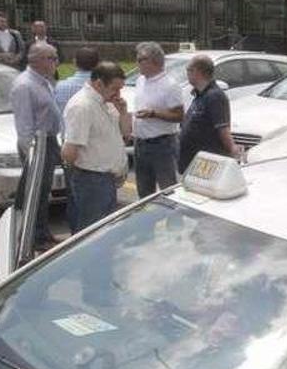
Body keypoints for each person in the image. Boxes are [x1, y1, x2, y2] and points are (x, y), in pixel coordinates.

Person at [62, 62, 131, 231]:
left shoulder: (107, 102)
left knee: (103, 233)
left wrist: (123, 112)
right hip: (91, 181)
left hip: (107, 180)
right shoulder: (83, 106)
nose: (118, 94)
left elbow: (126, 134)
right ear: (99, 83)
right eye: (115, 88)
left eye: (121, 89)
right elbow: (69, 152)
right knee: (90, 234)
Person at [10, 42, 64, 250]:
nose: (56, 62)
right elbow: (24, 126)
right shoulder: (25, 85)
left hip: (49, 141)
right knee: (34, 192)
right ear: (39, 60)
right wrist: (31, 155)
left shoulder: (43, 82)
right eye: (52, 58)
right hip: (37, 145)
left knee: (42, 192)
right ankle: (33, 237)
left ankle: (42, 233)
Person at [54, 47, 101, 232]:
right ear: (97, 64)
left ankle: (75, 234)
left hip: (69, 145)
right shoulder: (99, 87)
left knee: (73, 197)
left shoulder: (61, 87)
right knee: (94, 198)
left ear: (74, 62)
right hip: (95, 147)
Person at [131, 42, 184, 197]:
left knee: (169, 191)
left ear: (154, 61)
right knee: (144, 193)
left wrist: (154, 114)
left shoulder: (170, 85)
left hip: (162, 145)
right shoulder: (140, 80)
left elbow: (179, 116)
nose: (137, 63)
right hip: (140, 143)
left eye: (141, 59)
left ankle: (174, 222)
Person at [178, 54, 237, 172]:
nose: (187, 74)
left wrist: (233, 151)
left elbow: (223, 129)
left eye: (189, 70)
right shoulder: (199, 95)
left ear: (198, 72)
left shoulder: (215, 96)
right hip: (191, 161)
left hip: (205, 164)